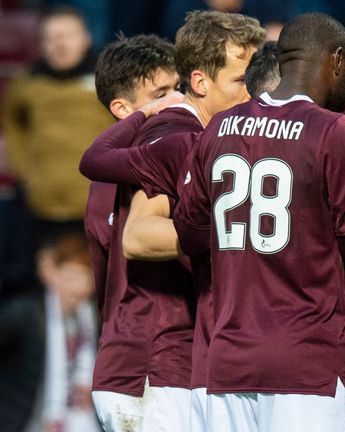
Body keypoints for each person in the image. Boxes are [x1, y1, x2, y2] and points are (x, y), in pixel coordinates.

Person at [171, 13, 345, 432]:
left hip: (228, 358)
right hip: (306, 361)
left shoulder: (219, 127)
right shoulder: (333, 131)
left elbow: (189, 234)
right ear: (336, 60)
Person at [80, 11, 265, 431]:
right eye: (241, 81)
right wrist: (241, 229)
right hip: (157, 367)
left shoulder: (130, 159)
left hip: (132, 359)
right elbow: (141, 237)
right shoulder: (179, 137)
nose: (253, 93)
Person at [85, 33, 179, 432]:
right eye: (163, 93)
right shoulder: (109, 184)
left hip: (139, 368)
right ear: (123, 109)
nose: (179, 101)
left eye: (180, 88)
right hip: (145, 374)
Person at [1, 6, 114, 245]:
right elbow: (12, 124)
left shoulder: (106, 80)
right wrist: (24, 172)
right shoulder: (27, 82)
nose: (60, 44)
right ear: (41, 43)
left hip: (97, 207)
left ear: (86, 38)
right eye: (51, 38)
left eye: (68, 36)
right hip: (41, 207)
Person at [39, 234, 100, 432]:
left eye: (86, 276)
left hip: (78, 415)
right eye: (72, 276)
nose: (79, 286)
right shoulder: (31, 315)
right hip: (34, 413)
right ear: (51, 273)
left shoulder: (91, 316)